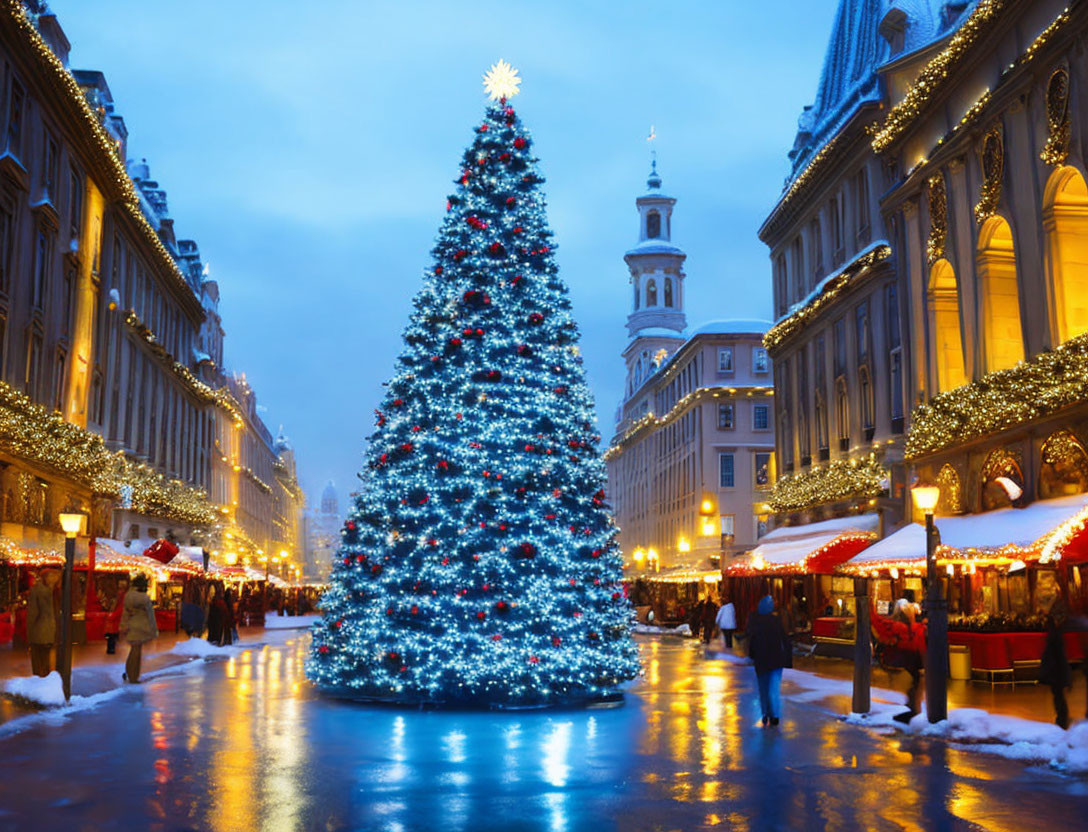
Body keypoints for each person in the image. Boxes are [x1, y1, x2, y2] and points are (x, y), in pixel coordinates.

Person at [872, 598, 926, 723]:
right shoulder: (918, 628)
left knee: (912, 686)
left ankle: (911, 711)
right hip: (914, 662)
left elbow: (877, 622)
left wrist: (869, 604)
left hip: (902, 661)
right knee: (914, 685)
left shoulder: (896, 627)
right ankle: (912, 710)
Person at [746, 595, 792, 727]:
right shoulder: (776, 621)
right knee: (774, 688)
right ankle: (774, 715)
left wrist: (752, 656)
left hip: (761, 660)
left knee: (763, 688)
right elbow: (785, 639)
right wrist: (787, 659)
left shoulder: (755, 621)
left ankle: (765, 713)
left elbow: (752, 641)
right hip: (776, 659)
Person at [119, 573, 158, 683]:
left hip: (131, 625)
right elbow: (151, 616)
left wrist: (123, 626)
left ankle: (128, 672)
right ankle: (134, 677)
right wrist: (154, 630)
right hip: (142, 627)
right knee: (137, 653)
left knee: (133, 650)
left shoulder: (128, 596)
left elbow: (125, 614)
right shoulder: (145, 598)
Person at [1039, 607, 1072, 730]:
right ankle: (1062, 720)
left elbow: (1057, 656)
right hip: (1057, 671)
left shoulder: (1054, 636)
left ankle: (1062, 720)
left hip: (1055, 671)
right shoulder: (1057, 634)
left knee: (1058, 697)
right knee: (1058, 696)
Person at [27, 569, 58, 677]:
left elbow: (33, 612)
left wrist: (29, 629)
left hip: (38, 630)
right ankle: (44, 677)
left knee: (37, 658)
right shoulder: (53, 591)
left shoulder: (36, 590)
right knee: (45, 657)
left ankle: (38, 679)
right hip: (49, 631)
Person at [104, 578, 128, 655]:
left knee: (112, 633)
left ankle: (111, 648)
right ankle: (111, 647)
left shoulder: (122, 596)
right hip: (117, 616)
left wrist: (113, 615)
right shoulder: (121, 595)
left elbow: (120, 607)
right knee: (113, 633)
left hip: (116, 616)